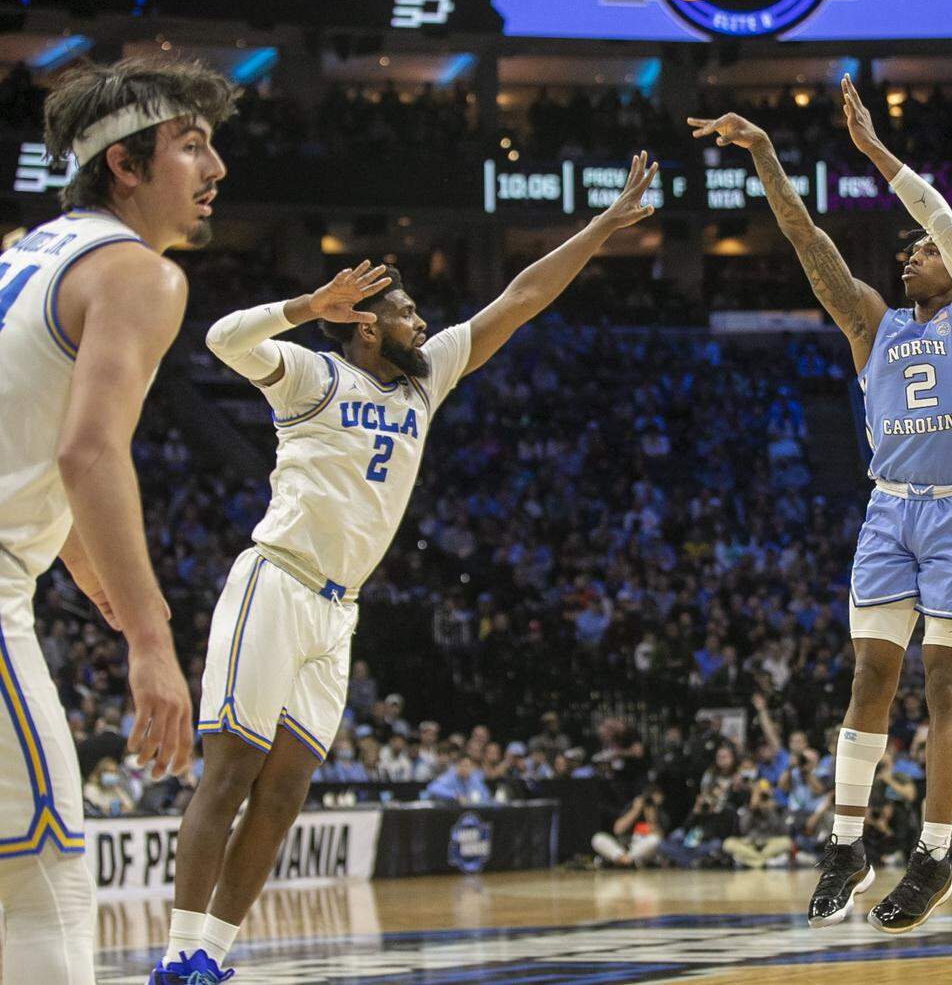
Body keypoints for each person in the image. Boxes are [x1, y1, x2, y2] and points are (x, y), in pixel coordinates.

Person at [156, 152, 659, 981]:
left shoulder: (425, 388)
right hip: (276, 579)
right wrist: (303, 306)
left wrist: (602, 227)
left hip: (339, 608)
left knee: (284, 793)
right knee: (232, 770)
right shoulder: (312, 375)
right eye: (408, 313)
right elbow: (218, 339)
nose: (423, 324)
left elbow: (522, 299)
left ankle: (214, 954)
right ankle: (176, 954)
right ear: (364, 324)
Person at [690, 71, 952, 935]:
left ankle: (935, 853)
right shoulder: (875, 323)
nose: (912, 253)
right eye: (906, 248)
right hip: (888, 508)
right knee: (872, 673)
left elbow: (945, 222)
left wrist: (873, 151)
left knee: (946, 678)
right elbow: (807, 240)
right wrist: (763, 155)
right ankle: (847, 842)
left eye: (926, 249)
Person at [0, 57, 235, 983]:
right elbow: (87, 453)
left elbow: (24, 435)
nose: (216, 168)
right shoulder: (137, 275)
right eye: (191, 145)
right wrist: (148, 635)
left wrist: (91, 573)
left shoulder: (27, 249)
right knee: (45, 864)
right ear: (126, 168)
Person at [591, 783, 667, 867]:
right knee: (598, 838)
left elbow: (659, 837)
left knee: (655, 840)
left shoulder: (661, 813)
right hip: (623, 847)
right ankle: (626, 860)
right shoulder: (632, 807)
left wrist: (651, 816)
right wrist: (635, 810)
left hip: (641, 850)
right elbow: (617, 830)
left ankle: (621, 861)